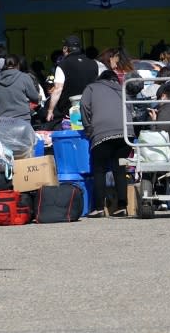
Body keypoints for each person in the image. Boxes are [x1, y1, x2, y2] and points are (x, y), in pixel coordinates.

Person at [80, 70, 133, 218]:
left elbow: (84, 106)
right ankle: (122, 207)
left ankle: (99, 208)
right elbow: (131, 109)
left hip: (102, 132)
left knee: (99, 169)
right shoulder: (123, 89)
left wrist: (88, 127)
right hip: (126, 133)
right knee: (120, 169)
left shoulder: (91, 87)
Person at [46, 35, 99, 126]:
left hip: (69, 110)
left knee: (74, 134)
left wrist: (50, 110)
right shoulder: (94, 63)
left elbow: (58, 89)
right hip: (90, 108)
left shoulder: (63, 65)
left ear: (65, 49)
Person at [0, 55, 40, 121]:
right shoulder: (24, 77)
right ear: (18, 64)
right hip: (22, 118)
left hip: (3, 118)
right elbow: (35, 97)